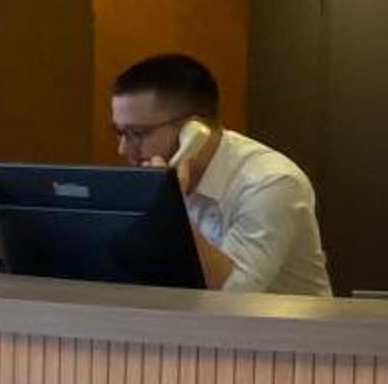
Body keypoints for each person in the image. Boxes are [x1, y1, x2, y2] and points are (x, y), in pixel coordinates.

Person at [106, 53, 333, 295]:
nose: (123, 149)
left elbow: (233, 295)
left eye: (137, 134)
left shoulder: (273, 182)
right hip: (182, 318)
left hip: (273, 321)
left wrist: (171, 208)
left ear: (192, 130)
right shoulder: (153, 179)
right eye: (119, 133)